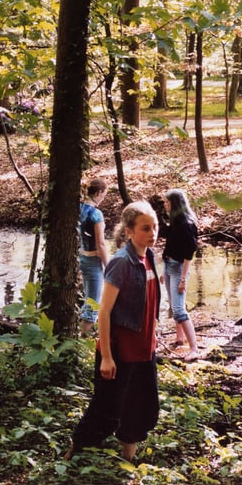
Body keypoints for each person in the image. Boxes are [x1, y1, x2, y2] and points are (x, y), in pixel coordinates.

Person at [66, 200, 161, 463]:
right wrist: (107, 356)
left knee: (142, 407)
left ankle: (128, 460)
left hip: (145, 349)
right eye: (145, 228)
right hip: (120, 351)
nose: (152, 233)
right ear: (129, 231)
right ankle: (74, 455)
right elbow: (104, 312)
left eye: (155, 227)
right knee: (106, 410)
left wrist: (154, 334)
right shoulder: (121, 263)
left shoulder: (149, 256)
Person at [160, 187, 199, 362]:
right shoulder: (175, 222)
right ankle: (179, 339)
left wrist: (183, 279)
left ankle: (194, 349)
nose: (165, 205)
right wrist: (163, 271)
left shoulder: (186, 224)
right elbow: (169, 244)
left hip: (178, 269)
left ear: (175, 204)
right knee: (173, 306)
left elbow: (189, 253)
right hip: (169, 265)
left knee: (178, 309)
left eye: (167, 202)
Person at [78, 178, 109, 334]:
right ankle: (83, 337)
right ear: (98, 193)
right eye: (104, 194)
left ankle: (83, 332)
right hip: (93, 260)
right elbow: (101, 243)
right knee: (93, 301)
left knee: (86, 296)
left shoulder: (78, 208)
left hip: (80, 257)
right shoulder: (96, 214)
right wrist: (108, 265)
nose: (104, 197)